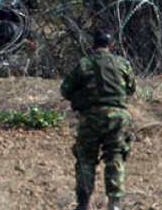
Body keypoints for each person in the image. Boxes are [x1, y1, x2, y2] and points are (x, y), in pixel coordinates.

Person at [61, 31, 135, 210]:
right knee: (115, 157)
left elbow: (65, 89)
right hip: (118, 117)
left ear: (93, 46)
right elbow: (131, 89)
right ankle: (114, 203)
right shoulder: (123, 64)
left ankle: (83, 203)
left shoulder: (84, 65)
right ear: (112, 46)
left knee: (85, 159)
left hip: (91, 117)